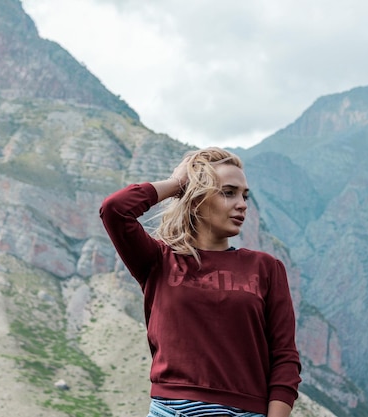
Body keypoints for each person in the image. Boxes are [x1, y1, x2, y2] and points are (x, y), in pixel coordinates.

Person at [100, 147, 301, 417]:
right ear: (197, 198)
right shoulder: (158, 261)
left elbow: (285, 357)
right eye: (228, 192)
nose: (242, 203)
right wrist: (178, 183)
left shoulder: (266, 268)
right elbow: (115, 210)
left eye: (245, 195)